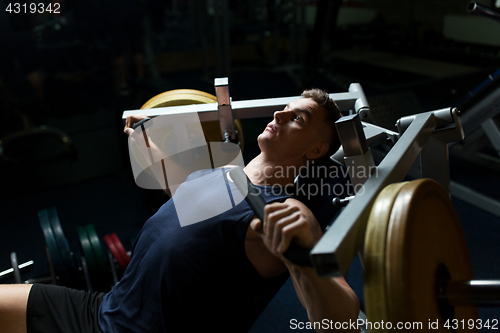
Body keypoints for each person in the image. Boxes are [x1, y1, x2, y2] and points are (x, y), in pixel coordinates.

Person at [0, 89, 360, 333]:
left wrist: (307, 258)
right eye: (284, 108)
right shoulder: (221, 176)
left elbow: (342, 317)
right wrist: (145, 140)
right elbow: (182, 194)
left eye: (298, 118)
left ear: (315, 150)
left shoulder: (286, 208)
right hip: (105, 309)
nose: (280, 113)